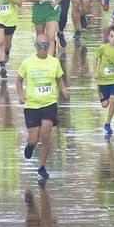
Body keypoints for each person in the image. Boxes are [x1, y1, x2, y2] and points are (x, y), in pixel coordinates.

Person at [16, 38, 68, 184]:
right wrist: (21, 95)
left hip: (49, 105)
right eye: (40, 45)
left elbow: (59, 79)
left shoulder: (54, 62)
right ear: (35, 46)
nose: (43, 47)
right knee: (34, 139)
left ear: (49, 46)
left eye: (45, 44)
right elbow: (19, 80)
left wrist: (63, 89)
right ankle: (30, 145)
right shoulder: (27, 62)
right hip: (32, 106)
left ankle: (42, 167)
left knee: (45, 136)